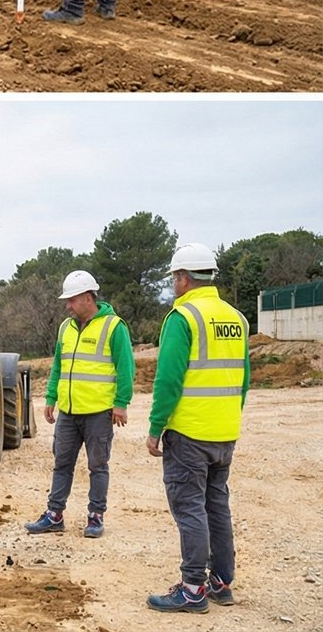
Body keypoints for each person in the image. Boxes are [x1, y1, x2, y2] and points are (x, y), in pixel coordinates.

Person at [145, 243, 250, 613]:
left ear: (184, 278)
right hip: (224, 431)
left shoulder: (183, 317)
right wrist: (228, 418)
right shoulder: (237, 319)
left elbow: (168, 380)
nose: (174, 284)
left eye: (174, 277)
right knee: (216, 504)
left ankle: (192, 588)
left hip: (189, 432)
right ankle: (221, 582)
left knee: (190, 508)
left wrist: (156, 427)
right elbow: (244, 379)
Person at [25, 270, 133, 539]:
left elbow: (126, 368)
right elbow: (58, 367)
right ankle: (54, 515)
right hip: (69, 413)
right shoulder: (65, 327)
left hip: (98, 413)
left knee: (98, 466)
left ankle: (95, 517)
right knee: (62, 463)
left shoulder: (113, 327)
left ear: (88, 298)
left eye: (72, 300)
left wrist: (121, 403)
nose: (67, 306)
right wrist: (51, 397)